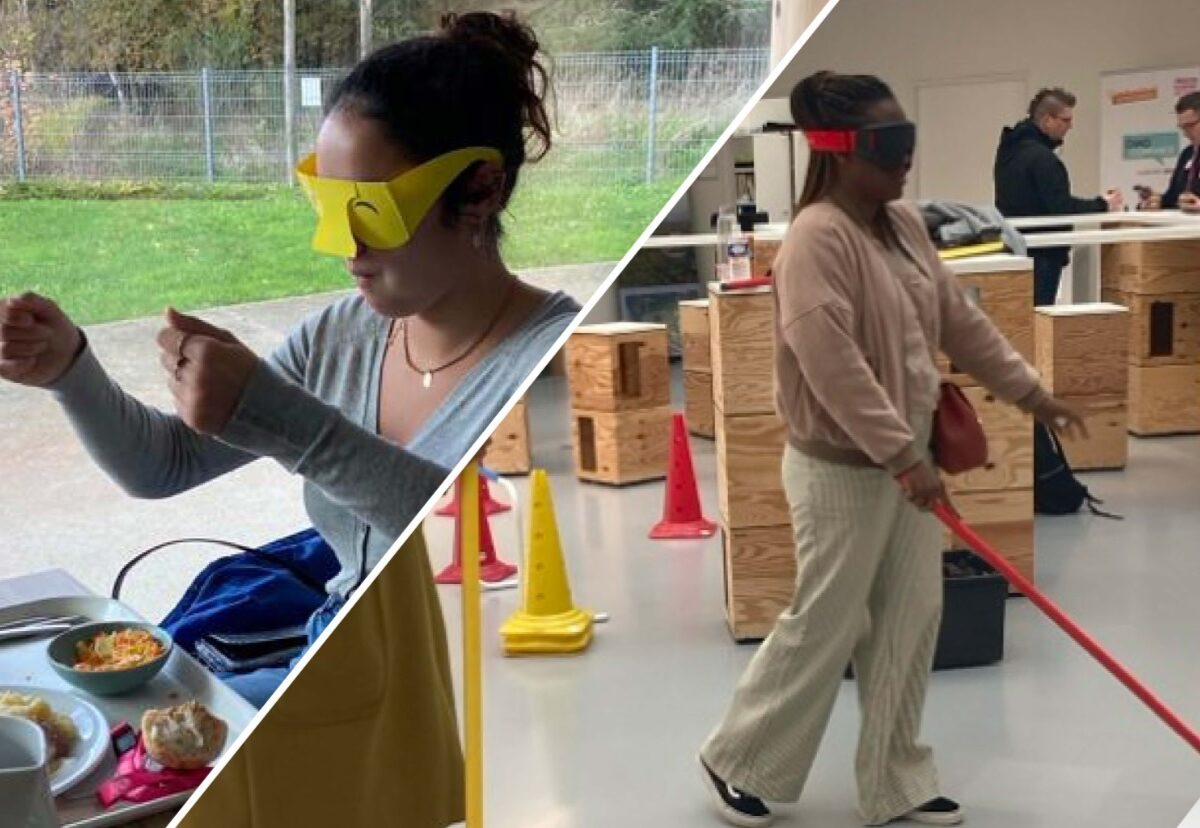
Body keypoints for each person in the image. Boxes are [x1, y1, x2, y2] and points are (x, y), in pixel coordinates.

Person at [1, 10, 575, 723]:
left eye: (371, 209)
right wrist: (70, 370)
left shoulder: (554, 360)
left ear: (481, 190)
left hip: (459, 698)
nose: (344, 246)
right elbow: (166, 466)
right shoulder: (342, 334)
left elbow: (469, 551)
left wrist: (293, 428)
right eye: (327, 204)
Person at [696, 71, 1086, 828]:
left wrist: (1031, 392)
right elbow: (830, 364)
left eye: (909, 140)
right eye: (889, 144)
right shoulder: (817, 238)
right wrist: (903, 457)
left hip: (909, 464)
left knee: (912, 618)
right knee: (828, 620)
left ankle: (895, 780)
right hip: (841, 469)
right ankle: (737, 756)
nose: (905, 158)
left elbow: (956, 321)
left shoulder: (902, 223)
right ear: (840, 151)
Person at [994, 87, 1123, 306]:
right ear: (1047, 120)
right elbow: (1062, 207)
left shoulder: (1009, 150)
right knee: (1039, 317)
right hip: (1043, 253)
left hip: (1015, 249)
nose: (1070, 126)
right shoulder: (1043, 159)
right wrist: (1103, 205)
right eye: (1066, 120)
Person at [1137, 91, 1200, 213]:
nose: (1186, 133)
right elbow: (1173, 195)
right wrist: (1159, 201)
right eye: (1182, 127)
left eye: (1190, 126)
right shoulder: (1187, 154)